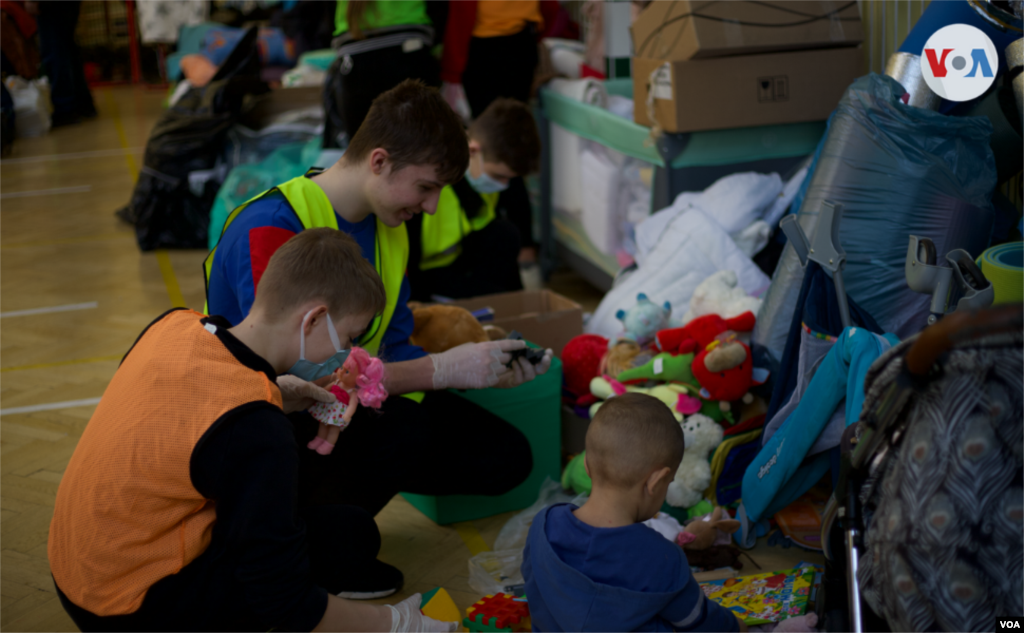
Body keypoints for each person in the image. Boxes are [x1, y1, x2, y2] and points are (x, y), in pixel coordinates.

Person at [205, 79, 553, 598]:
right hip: (271, 426)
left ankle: (326, 516)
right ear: (380, 160)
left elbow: (393, 343)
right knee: (396, 449)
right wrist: (442, 370)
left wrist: (478, 372)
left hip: (347, 406)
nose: (433, 207)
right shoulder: (272, 226)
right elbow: (299, 379)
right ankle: (296, 535)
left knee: (504, 457)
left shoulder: (387, 221)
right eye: (427, 187)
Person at [49, 228, 457, 633]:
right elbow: (286, 601)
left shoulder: (174, 324)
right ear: (313, 318)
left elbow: (171, 410)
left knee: (346, 532)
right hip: (133, 609)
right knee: (322, 551)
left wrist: (274, 395)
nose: (346, 355)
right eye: (349, 337)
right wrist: (395, 624)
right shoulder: (253, 427)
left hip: (77, 571)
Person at [522, 393, 748, 633]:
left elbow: (533, 587)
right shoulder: (663, 558)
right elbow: (703, 623)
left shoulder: (542, 526)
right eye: (668, 483)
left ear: (586, 464)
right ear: (655, 482)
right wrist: (737, 626)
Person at [442, 0, 555, 265]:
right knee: (508, 143)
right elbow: (549, 7)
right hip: (521, 43)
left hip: (486, 46)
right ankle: (522, 244)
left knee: (494, 147)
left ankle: (509, 241)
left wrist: (451, 70)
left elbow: (460, 10)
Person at [406, 97, 540, 301]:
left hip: (459, 258)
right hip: (423, 275)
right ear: (473, 151)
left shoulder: (480, 170)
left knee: (506, 235)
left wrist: (520, 302)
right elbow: (408, 260)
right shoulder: (429, 183)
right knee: (494, 298)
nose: (503, 184)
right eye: (499, 176)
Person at [323, 0, 448, 148]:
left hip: (354, 61)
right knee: (421, 149)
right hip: (410, 52)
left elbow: (328, 16)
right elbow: (440, 10)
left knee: (363, 154)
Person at [25, 0, 96, 127]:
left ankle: (65, 108)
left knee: (55, 50)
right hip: (67, 4)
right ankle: (83, 104)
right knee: (67, 48)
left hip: (50, 5)